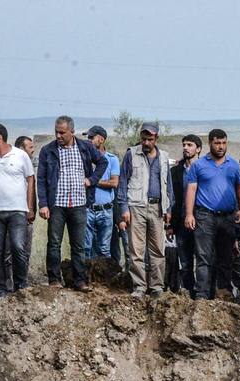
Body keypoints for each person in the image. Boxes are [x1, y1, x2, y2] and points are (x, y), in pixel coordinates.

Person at [37, 115, 108, 289]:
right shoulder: (48, 150)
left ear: (72, 132)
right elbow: (41, 179)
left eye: (62, 132)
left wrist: (91, 180)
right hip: (57, 204)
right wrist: (43, 204)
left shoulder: (85, 147)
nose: (58, 136)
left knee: (78, 245)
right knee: (54, 243)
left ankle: (80, 280)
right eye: (56, 132)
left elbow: (102, 162)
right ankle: (54, 279)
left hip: (79, 203)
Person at [183, 128, 240, 299]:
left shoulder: (233, 165)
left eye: (224, 143)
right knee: (203, 257)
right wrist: (189, 214)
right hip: (205, 216)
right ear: (210, 143)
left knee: (225, 257)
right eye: (217, 143)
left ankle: (223, 292)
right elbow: (191, 190)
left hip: (227, 217)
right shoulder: (199, 165)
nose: (221, 146)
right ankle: (202, 294)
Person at [0, 123, 37, 296]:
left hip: (17, 210)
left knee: (18, 247)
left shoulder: (20, 156)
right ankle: (1, 289)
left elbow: (30, 179)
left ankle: (21, 284)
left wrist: (30, 206)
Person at [117, 121, 172, 297]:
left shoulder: (164, 157)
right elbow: (123, 182)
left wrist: (168, 209)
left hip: (157, 208)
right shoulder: (131, 155)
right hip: (136, 207)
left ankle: (156, 286)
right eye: (143, 139)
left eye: (149, 139)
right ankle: (139, 286)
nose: (146, 143)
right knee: (137, 250)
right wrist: (124, 208)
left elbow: (168, 185)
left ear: (156, 138)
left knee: (157, 250)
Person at [168, 134, 202, 297]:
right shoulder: (175, 171)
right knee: (185, 262)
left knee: (203, 259)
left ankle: (204, 292)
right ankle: (189, 291)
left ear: (198, 149)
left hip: (202, 222)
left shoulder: (204, 169)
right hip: (181, 223)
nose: (186, 148)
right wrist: (170, 225)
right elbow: (173, 199)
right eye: (184, 145)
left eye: (190, 145)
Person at [84, 125, 121, 263]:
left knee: (104, 249)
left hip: (106, 210)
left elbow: (114, 183)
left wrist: (92, 181)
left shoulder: (112, 159)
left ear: (101, 140)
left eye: (91, 138)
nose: (88, 141)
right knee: (87, 247)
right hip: (88, 209)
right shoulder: (84, 159)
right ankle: (88, 279)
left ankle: (104, 281)